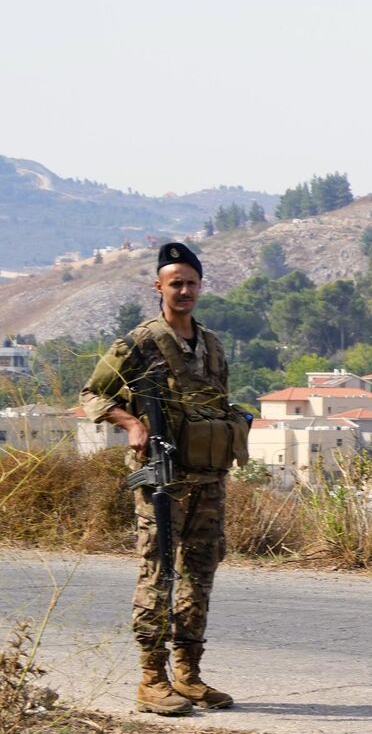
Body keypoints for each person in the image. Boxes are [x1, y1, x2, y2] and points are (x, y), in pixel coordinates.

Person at [81, 242, 243, 716]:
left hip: (208, 477)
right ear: (159, 287)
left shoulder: (211, 343)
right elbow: (92, 393)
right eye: (176, 283)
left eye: (192, 283)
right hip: (162, 476)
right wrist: (131, 424)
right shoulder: (140, 342)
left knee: (201, 570)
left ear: (201, 287)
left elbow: (217, 400)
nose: (185, 290)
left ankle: (188, 674)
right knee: (158, 571)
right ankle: (152, 679)